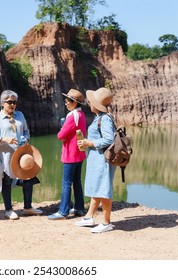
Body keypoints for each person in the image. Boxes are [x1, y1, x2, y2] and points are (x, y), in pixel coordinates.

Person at [0, 90, 43, 220]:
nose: (13, 105)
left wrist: (25, 139)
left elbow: (26, 131)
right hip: (6, 156)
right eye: (10, 102)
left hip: (22, 154)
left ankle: (28, 207)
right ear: (2, 103)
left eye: (14, 102)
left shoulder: (20, 116)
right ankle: (8, 209)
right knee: (7, 181)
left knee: (28, 178)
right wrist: (4, 139)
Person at [75, 87, 116, 233]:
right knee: (98, 187)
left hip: (102, 161)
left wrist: (89, 143)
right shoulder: (100, 117)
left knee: (103, 190)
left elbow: (109, 139)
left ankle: (106, 222)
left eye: (91, 101)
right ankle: (89, 217)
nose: (89, 103)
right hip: (97, 159)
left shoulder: (104, 119)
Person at [48, 89, 87, 220]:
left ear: (74, 103)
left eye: (68, 101)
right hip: (79, 154)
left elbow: (61, 135)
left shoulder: (71, 116)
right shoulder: (81, 115)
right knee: (77, 181)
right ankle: (79, 208)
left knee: (66, 182)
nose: (66, 103)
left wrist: (61, 130)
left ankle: (63, 211)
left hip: (70, 155)